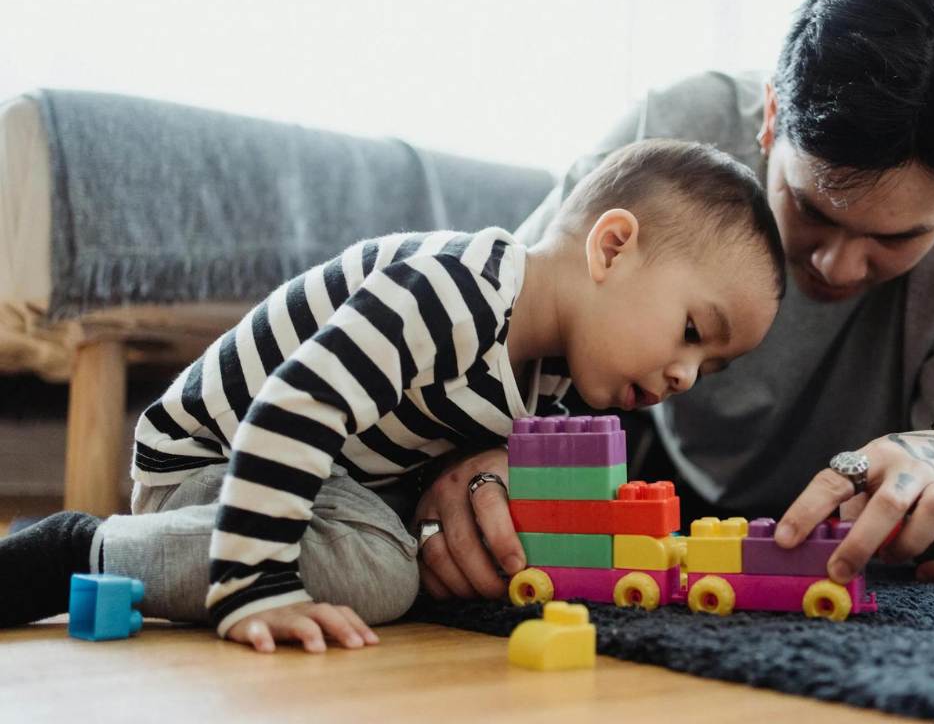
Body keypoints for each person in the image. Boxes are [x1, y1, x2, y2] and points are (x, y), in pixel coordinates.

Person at [414, 0, 934, 599]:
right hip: (637, 475)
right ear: (772, 117)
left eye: (895, 238)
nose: (836, 265)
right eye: (809, 209)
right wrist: (471, 461)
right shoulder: (669, 139)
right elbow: (495, 327)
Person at [0, 139, 786, 652]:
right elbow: (295, 407)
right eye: (692, 330)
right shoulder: (455, 292)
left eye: (710, 368)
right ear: (613, 247)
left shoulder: (550, 377)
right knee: (382, 576)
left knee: (398, 559)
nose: (685, 377)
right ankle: (78, 548)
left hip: (327, 483)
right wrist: (259, 588)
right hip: (217, 459)